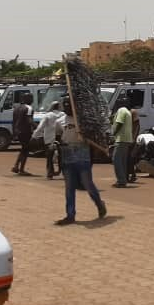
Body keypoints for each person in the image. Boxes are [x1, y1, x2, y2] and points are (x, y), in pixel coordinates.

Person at [54, 95, 106, 225]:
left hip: (82, 155)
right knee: (69, 187)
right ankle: (70, 215)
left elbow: (94, 136)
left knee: (87, 183)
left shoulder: (83, 121)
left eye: (69, 103)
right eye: (64, 104)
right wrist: (55, 148)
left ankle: (99, 204)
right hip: (67, 155)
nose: (67, 106)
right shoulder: (60, 121)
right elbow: (58, 137)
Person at [33, 101, 64, 179]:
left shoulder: (47, 116)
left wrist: (34, 136)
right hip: (61, 139)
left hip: (49, 139)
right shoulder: (63, 115)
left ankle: (50, 173)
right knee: (62, 156)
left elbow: (40, 127)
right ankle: (64, 172)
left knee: (49, 157)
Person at [111, 97, 133, 188]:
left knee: (116, 159)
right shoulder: (128, 112)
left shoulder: (121, 110)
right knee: (122, 160)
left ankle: (121, 180)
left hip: (121, 138)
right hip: (127, 139)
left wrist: (113, 133)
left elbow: (119, 123)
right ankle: (123, 179)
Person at [10, 93, 35, 175]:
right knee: (25, 150)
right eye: (31, 98)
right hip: (25, 132)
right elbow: (29, 120)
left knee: (23, 149)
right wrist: (38, 127)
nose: (32, 100)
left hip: (18, 131)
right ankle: (21, 169)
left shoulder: (16, 108)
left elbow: (13, 122)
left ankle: (16, 166)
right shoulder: (28, 108)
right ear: (27, 99)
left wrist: (14, 133)